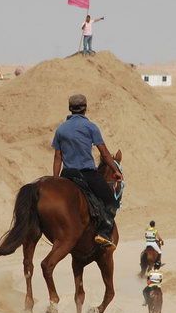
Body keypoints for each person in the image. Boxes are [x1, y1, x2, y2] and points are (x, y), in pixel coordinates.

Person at [52, 94, 123, 247]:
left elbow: (58, 157)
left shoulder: (61, 129)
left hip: (67, 174)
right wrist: (115, 170)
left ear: (70, 109)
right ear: (85, 108)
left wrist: (55, 179)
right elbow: (104, 153)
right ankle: (103, 233)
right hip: (87, 173)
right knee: (111, 201)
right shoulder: (90, 126)